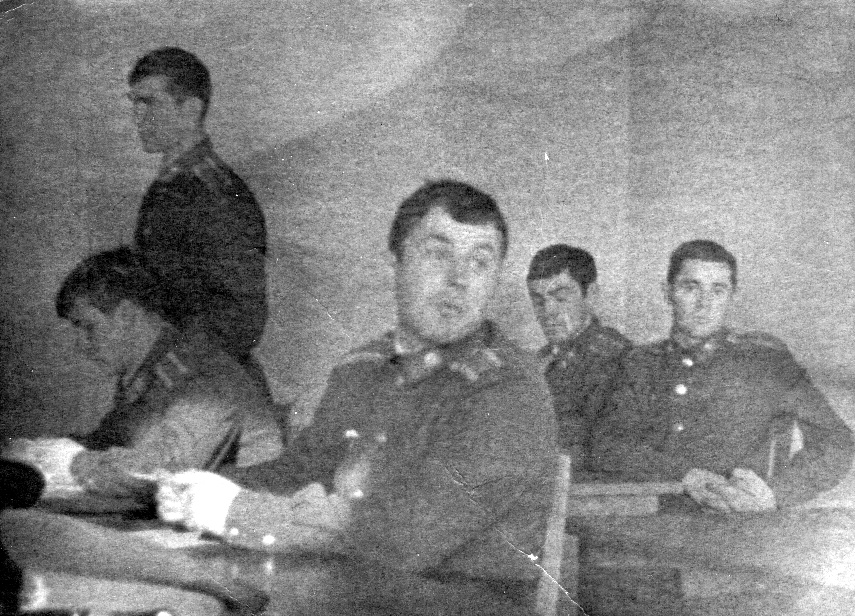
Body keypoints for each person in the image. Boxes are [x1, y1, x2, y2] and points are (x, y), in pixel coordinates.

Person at [153, 180, 557, 615]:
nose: (459, 280)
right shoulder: (363, 369)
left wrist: (236, 512)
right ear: (395, 264)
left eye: (480, 262)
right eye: (438, 254)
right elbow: (298, 472)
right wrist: (189, 484)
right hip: (347, 592)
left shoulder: (508, 389)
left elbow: (406, 536)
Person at [4, 247, 282, 509]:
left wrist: (73, 462)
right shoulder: (150, 372)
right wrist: (37, 454)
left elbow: (164, 472)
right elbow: (109, 441)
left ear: (127, 315)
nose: (81, 345)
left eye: (88, 327)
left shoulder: (204, 376)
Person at [590, 239, 853, 512]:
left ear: (731, 296)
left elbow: (837, 442)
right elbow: (606, 446)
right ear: (667, 292)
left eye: (718, 290)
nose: (704, 304)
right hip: (651, 517)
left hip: (739, 521)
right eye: (690, 288)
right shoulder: (640, 363)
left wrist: (775, 495)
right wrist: (683, 475)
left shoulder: (766, 362)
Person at [127, 47, 268, 383]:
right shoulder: (172, 185)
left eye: (150, 103)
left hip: (203, 383)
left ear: (190, 110)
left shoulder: (214, 192)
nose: (138, 117)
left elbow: (242, 315)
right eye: (134, 104)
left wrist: (165, 375)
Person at [527, 244, 631, 466]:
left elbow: (607, 452)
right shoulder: (539, 361)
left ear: (591, 295)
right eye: (538, 300)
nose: (548, 312)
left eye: (560, 298)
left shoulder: (619, 359)